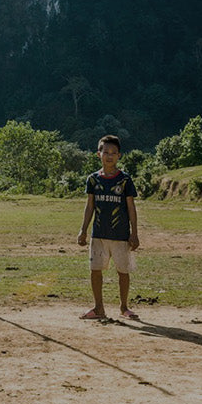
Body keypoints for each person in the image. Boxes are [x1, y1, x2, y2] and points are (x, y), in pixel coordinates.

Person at [76, 134, 141, 320]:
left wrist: (134, 233)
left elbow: (131, 207)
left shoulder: (125, 180)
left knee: (123, 272)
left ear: (119, 155)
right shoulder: (93, 179)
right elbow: (89, 206)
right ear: (99, 154)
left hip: (121, 236)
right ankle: (98, 309)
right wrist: (83, 230)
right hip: (99, 235)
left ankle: (124, 308)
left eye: (113, 152)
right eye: (106, 152)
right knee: (95, 271)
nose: (109, 155)